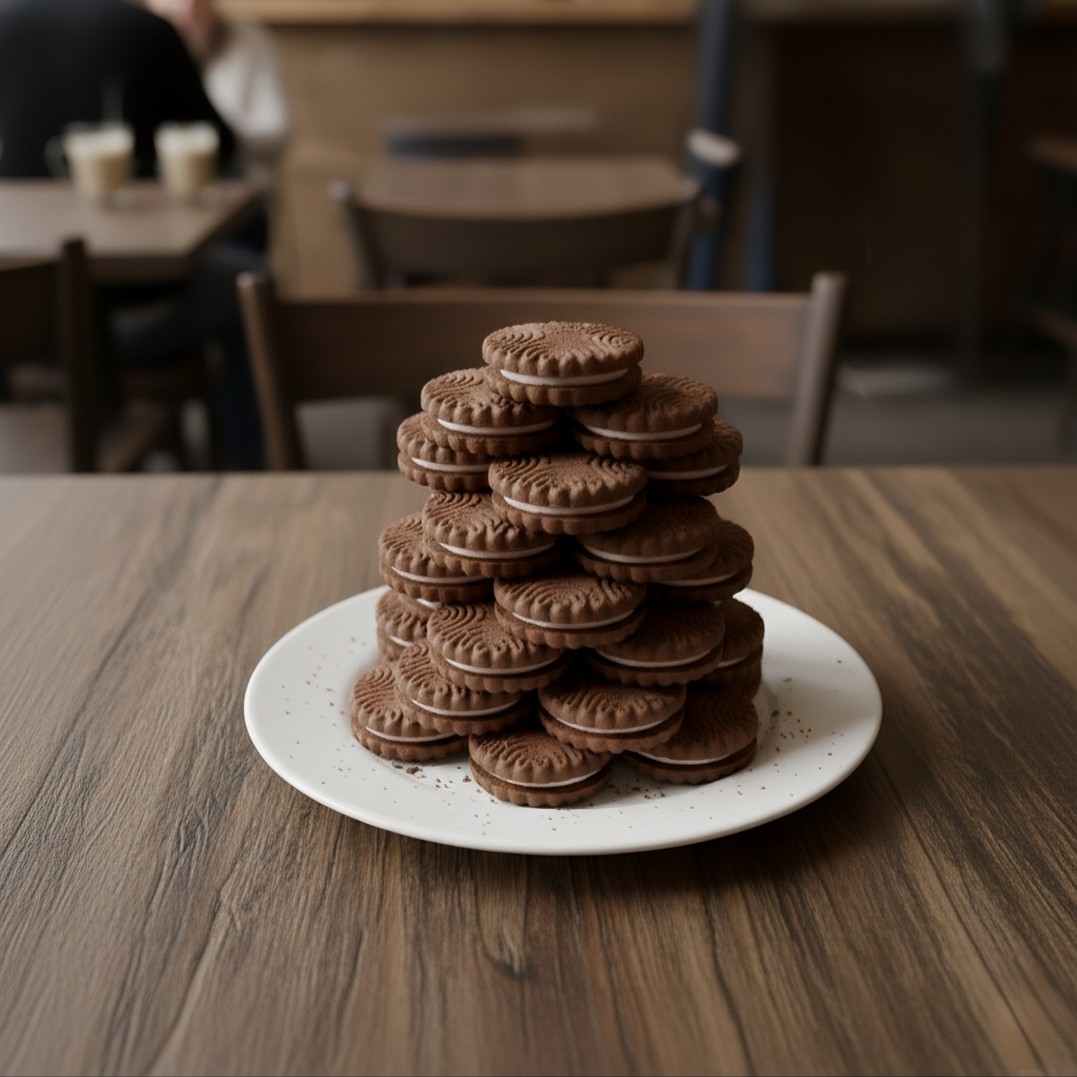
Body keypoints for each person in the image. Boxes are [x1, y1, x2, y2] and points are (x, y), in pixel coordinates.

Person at [0, 0, 266, 468]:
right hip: (132, 314)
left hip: (16, 322)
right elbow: (219, 145)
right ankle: (251, 470)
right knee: (251, 282)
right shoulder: (143, 29)